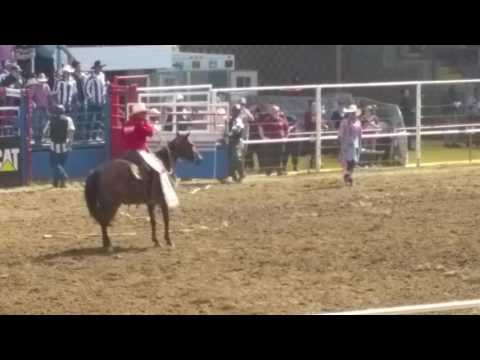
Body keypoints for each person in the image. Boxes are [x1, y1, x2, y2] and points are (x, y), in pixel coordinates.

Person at [121, 103, 179, 208]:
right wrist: (148, 123)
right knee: (158, 169)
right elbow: (150, 132)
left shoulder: (127, 124)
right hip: (139, 153)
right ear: (138, 114)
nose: (145, 115)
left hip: (127, 152)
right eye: (143, 113)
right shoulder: (140, 123)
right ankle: (153, 194)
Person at [43, 105, 76, 188]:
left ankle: (63, 177)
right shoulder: (68, 120)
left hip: (54, 147)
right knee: (61, 165)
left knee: (54, 164)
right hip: (65, 147)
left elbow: (45, 132)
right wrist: (70, 143)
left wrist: (48, 137)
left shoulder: (51, 120)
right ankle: (57, 183)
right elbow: (71, 132)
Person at [338, 105, 362, 186]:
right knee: (349, 162)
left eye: (354, 113)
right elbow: (340, 135)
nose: (352, 114)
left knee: (354, 162)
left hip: (355, 145)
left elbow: (359, 135)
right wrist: (341, 145)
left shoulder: (358, 122)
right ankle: (349, 178)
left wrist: (360, 145)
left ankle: (347, 176)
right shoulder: (344, 122)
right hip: (346, 145)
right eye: (351, 113)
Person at [85, 61, 107, 141]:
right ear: (95, 68)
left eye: (100, 67)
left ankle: (95, 136)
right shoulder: (90, 77)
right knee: (90, 119)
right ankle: (88, 136)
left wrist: (103, 97)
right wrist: (90, 98)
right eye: (99, 67)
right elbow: (86, 88)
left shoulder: (102, 75)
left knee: (98, 119)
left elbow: (104, 87)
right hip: (92, 102)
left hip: (100, 101)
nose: (100, 68)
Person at [30, 73, 53, 145]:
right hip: (37, 108)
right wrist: (33, 103)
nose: (42, 82)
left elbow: (49, 96)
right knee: (36, 123)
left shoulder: (46, 86)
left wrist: (50, 106)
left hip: (45, 108)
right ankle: (37, 138)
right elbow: (30, 96)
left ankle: (41, 138)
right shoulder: (34, 86)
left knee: (44, 123)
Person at [227, 104, 246, 183]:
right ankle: (234, 175)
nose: (235, 112)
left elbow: (237, 130)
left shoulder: (239, 120)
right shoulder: (230, 120)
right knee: (231, 159)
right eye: (234, 111)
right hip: (230, 142)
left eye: (237, 111)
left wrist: (230, 133)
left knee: (237, 158)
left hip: (237, 142)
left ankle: (241, 174)